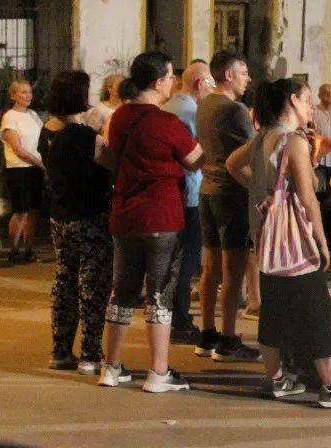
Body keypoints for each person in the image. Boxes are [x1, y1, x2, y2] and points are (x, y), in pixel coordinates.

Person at [227, 77, 331, 408]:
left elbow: (233, 165)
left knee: (274, 309)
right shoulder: (294, 143)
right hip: (294, 241)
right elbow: (308, 198)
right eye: (307, 101)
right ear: (292, 101)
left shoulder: (263, 137)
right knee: (317, 309)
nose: (311, 108)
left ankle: (276, 378)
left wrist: (262, 191)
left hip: (267, 239)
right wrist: (321, 241)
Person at [101, 52, 207, 392]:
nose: (173, 82)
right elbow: (195, 160)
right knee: (159, 295)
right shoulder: (166, 124)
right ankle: (158, 372)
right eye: (170, 76)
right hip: (162, 215)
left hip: (125, 215)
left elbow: (108, 155)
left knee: (122, 293)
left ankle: (111, 366)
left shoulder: (118, 117)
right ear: (158, 82)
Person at [41, 70, 113, 374]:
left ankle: (60, 349)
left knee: (65, 280)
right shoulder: (84, 136)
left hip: (59, 216)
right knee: (93, 285)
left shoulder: (46, 131)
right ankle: (90, 353)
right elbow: (111, 163)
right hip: (89, 215)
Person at [194, 51, 261, 361]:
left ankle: (207, 333)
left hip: (207, 189)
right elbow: (255, 150)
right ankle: (228, 337)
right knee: (232, 269)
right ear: (229, 75)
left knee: (210, 265)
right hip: (232, 193)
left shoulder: (204, 103)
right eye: (244, 72)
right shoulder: (234, 110)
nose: (248, 78)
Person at [165, 60, 212, 343]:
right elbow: (200, 155)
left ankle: (170, 316)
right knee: (186, 261)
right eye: (211, 83)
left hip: (171, 193)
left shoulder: (166, 108)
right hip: (190, 193)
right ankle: (181, 320)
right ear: (199, 83)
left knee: (171, 260)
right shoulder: (192, 112)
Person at [0, 80, 44, 263]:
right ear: (13, 95)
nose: (27, 96)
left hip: (35, 167)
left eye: (29, 92)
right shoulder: (10, 117)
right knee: (21, 210)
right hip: (19, 168)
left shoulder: (33, 115)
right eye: (22, 92)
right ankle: (13, 248)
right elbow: (16, 148)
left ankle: (28, 249)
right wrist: (39, 162)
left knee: (32, 210)